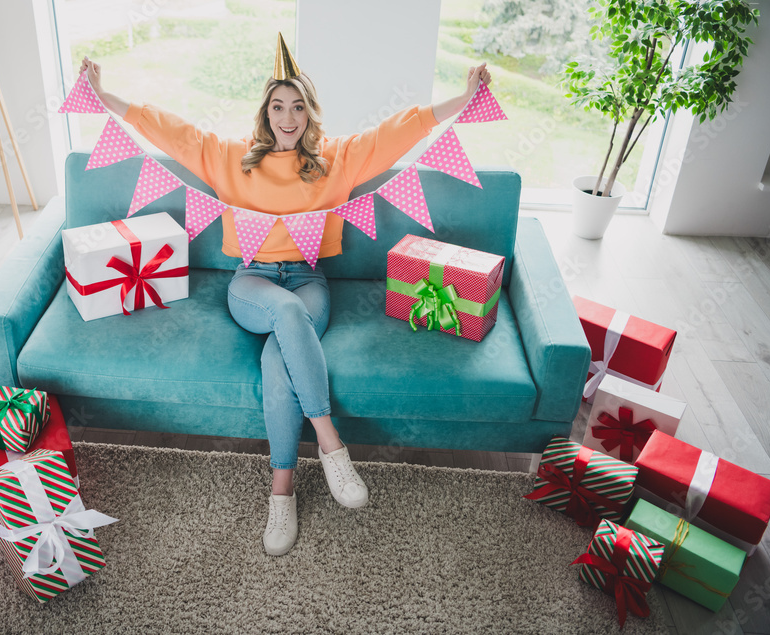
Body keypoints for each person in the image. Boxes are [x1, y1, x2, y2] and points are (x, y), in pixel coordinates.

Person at [80, 34, 491, 556]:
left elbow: (401, 130)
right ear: (265, 113)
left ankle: (282, 494)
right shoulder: (232, 160)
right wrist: (103, 93)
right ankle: (332, 445)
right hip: (251, 281)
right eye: (278, 106)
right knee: (285, 311)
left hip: (309, 280)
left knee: (280, 355)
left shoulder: (336, 160)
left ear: (309, 113)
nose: (288, 116)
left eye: (297, 106)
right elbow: (169, 130)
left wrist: (464, 95)